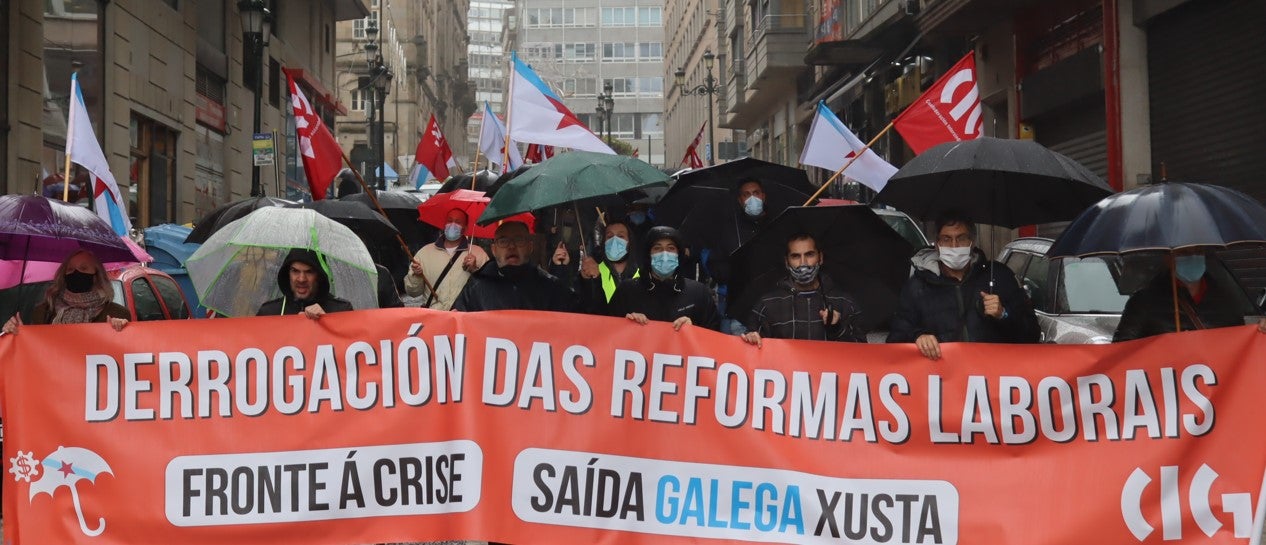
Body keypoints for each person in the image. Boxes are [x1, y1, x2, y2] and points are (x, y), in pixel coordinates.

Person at [887, 213, 1039, 359]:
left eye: (961, 238)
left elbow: (1032, 335)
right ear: (937, 244)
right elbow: (895, 339)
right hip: (943, 380)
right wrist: (917, 337)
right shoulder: (917, 286)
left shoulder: (1000, 277)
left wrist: (1004, 315)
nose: (954, 245)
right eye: (947, 239)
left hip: (992, 378)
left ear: (972, 241)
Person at [1113, 249, 1266, 341]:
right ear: (1168, 258)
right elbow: (1123, 352)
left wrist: (1259, 333)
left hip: (1214, 391)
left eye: (1198, 252)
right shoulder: (1143, 302)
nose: (1193, 257)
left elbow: (1239, 347)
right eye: (1185, 253)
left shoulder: (1226, 300)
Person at [741, 233, 865, 347]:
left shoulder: (844, 302)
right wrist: (751, 339)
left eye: (809, 254)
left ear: (820, 258)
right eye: (795, 256)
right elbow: (752, 350)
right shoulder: (767, 304)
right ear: (786, 262)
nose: (803, 263)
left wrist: (837, 329)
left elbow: (863, 352)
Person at [608, 226, 719, 331]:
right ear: (648, 255)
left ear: (679, 254)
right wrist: (625, 323)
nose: (664, 254)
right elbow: (607, 330)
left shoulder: (698, 292)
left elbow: (715, 336)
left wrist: (693, 329)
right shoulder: (627, 291)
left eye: (670, 248)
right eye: (657, 248)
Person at [453, 221, 575, 312]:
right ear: (494, 250)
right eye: (503, 241)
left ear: (530, 247)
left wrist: (589, 281)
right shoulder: (476, 286)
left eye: (518, 240)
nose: (511, 246)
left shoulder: (549, 286)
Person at [2, 250, 128, 334]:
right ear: (64, 276)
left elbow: (127, 355)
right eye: (70, 269)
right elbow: (30, 354)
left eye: (83, 268)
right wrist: (16, 333)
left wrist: (122, 330)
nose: (76, 273)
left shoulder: (117, 313)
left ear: (96, 275)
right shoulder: (43, 312)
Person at [552, 218, 641, 315]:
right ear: (604, 242)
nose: (614, 240)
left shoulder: (643, 275)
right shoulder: (590, 271)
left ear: (629, 242)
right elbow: (571, 303)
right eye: (610, 236)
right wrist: (562, 268)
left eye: (620, 236)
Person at [405, 208, 489, 310]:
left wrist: (475, 269)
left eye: (458, 222)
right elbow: (413, 292)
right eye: (450, 220)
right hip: (434, 318)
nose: (453, 225)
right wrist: (416, 276)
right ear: (444, 224)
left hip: (465, 318)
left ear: (465, 227)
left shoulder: (479, 253)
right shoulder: (424, 253)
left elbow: (488, 291)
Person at [256, 248, 354, 319]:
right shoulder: (269, 312)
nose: (301, 279)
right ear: (287, 274)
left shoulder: (342, 310)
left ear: (319, 276)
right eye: (295, 271)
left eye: (309, 272)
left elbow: (350, 343)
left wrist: (327, 321)